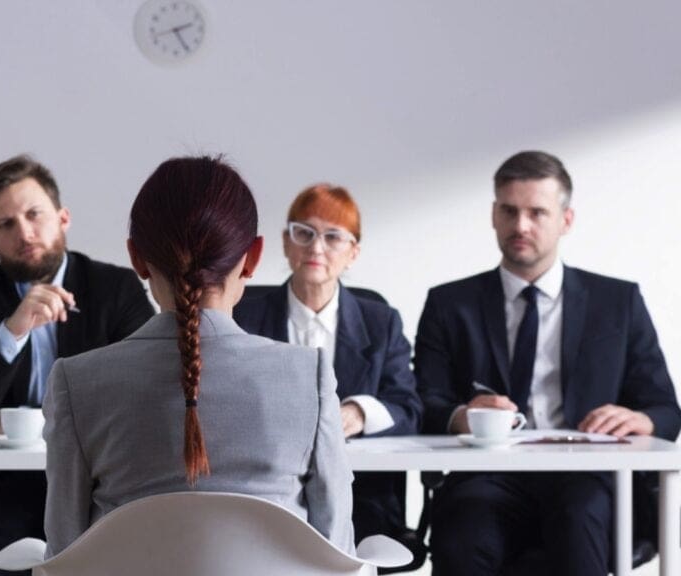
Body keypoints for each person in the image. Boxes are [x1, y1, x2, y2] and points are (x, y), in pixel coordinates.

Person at [43, 156, 356, 557]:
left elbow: (64, 555)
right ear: (253, 257)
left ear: (136, 258)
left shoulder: (77, 382)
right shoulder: (306, 377)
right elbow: (337, 552)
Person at [414, 150, 681, 575]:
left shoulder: (617, 303)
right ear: (493, 215)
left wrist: (640, 420)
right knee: (465, 530)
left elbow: (666, 410)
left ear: (566, 220)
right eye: (509, 211)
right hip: (487, 474)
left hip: (585, 475)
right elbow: (423, 403)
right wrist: (463, 416)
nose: (521, 226)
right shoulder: (450, 304)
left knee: (581, 518)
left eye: (537, 212)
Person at [0, 154, 155, 575]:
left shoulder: (115, 288)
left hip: (101, 483)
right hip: (0, 489)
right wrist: (12, 331)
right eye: (6, 225)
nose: (25, 233)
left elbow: (146, 394)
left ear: (63, 217)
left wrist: (12, 419)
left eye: (34, 214)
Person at [233, 183, 421, 542]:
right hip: (264, 490)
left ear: (353, 252)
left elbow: (408, 408)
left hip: (362, 494)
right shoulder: (243, 315)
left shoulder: (381, 322)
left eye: (333, 237)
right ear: (286, 243)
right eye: (303, 233)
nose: (316, 247)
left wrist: (359, 413)